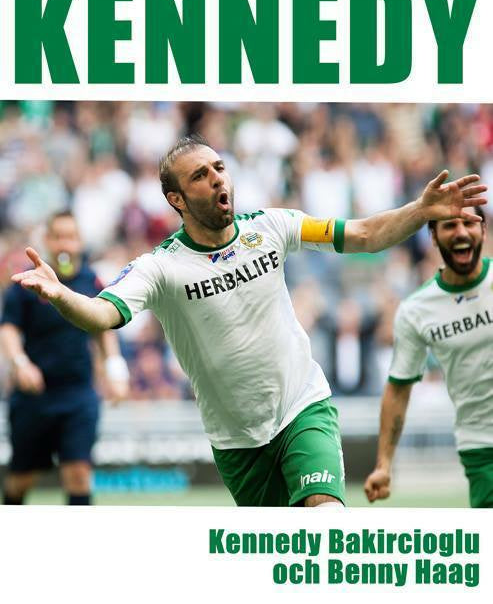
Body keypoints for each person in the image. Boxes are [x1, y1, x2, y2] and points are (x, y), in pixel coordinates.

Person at [10, 135, 487, 508]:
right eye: (200, 176)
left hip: (302, 407)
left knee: (325, 518)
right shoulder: (160, 266)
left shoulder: (272, 226)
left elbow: (362, 234)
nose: (218, 179)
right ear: (177, 199)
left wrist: (420, 209)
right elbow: (102, 313)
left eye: (219, 168)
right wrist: (61, 295)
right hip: (237, 442)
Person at [364, 205, 493, 508]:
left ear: (483, 231)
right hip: (482, 448)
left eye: (469, 223)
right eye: (449, 225)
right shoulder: (416, 310)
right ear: (433, 237)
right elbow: (398, 388)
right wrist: (384, 464)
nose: (460, 232)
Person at [1, 211, 129, 506]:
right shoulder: (27, 281)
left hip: (77, 395)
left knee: (79, 475)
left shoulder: (91, 281)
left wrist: (115, 370)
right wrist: (20, 364)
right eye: (58, 237)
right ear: (47, 240)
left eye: (70, 237)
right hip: (34, 397)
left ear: (79, 241)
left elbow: (104, 328)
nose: (64, 244)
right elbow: (8, 329)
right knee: (21, 481)